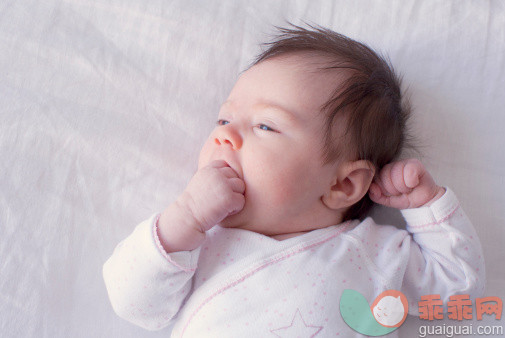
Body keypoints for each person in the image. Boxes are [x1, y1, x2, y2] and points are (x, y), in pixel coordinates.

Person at [103, 24, 484, 337]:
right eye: (223, 120)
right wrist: (183, 218)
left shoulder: (371, 251)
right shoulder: (197, 242)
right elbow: (135, 305)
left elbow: (458, 291)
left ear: (344, 185)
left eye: (265, 125)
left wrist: (426, 207)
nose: (225, 136)